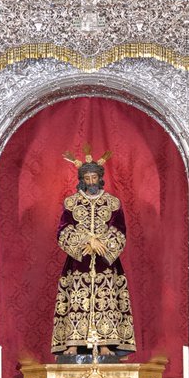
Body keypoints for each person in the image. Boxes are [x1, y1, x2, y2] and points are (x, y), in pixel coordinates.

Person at [51, 147, 136, 359]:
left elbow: (119, 230)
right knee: (76, 300)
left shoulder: (112, 203)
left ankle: (107, 343)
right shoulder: (72, 203)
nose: (90, 181)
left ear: (100, 178)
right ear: (82, 179)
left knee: (106, 299)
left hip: (105, 263)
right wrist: (86, 241)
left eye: (94, 177)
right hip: (78, 262)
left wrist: (102, 244)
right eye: (87, 178)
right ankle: (73, 343)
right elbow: (64, 229)